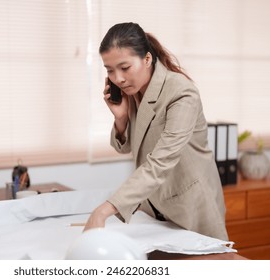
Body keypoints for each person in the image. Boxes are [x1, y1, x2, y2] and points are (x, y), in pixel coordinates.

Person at [84, 22, 228, 241]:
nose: (118, 79)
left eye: (124, 68)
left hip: (191, 206)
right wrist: (121, 117)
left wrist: (104, 210)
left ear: (147, 59)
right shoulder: (134, 90)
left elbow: (160, 161)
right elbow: (133, 146)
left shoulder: (181, 93)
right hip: (156, 205)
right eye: (110, 70)